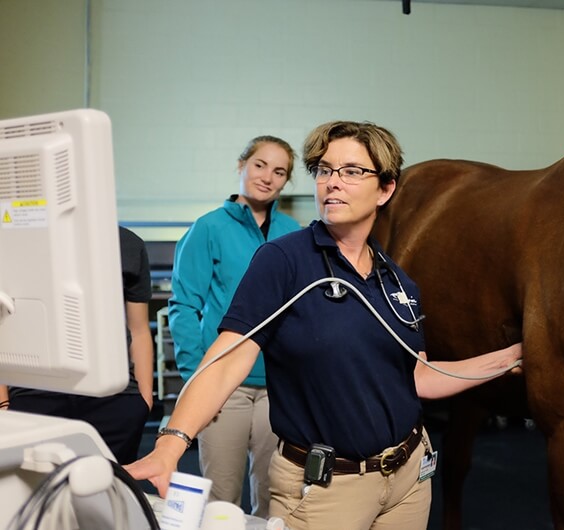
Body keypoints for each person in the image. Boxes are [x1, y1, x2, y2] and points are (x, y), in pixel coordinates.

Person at [125, 121, 522, 529]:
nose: (333, 182)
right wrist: (170, 445)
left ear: (385, 189)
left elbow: (419, 376)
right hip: (326, 489)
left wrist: (508, 358)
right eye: (325, 170)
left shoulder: (397, 282)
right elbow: (228, 359)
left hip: (408, 479)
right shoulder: (285, 260)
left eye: (351, 172)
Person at [169, 135, 300, 517]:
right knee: (221, 499)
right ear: (241, 165)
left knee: (274, 495)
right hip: (224, 383)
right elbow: (183, 306)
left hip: (277, 386)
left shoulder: (294, 232)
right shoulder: (207, 228)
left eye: (279, 172)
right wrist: (198, 376)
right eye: (259, 165)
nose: (267, 177)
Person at [0, 226, 153, 465]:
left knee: (109, 493)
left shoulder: (127, 243)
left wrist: (144, 399)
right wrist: (3, 401)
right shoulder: (14, 241)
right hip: (33, 398)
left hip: (115, 399)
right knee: (34, 495)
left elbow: (139, 328)